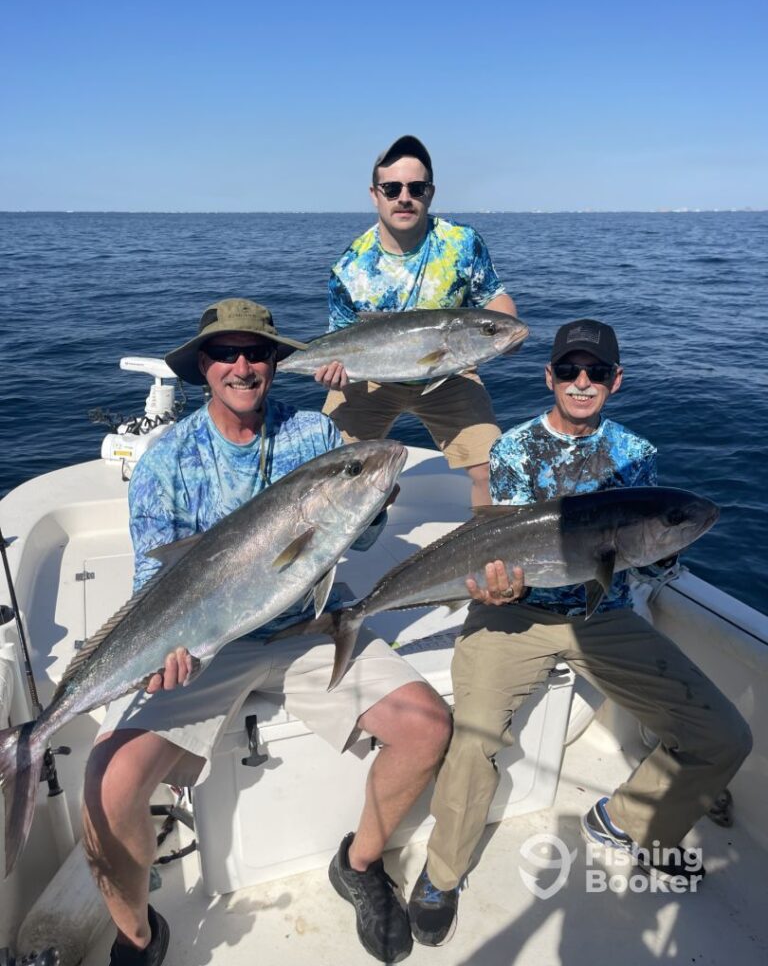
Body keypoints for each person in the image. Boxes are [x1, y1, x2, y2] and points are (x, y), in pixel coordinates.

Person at [82, 298, 451, 966]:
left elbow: (356, 536)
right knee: (106, 784)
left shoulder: (313, 435)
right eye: (227, 353)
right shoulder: (167, 460)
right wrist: (168, 652)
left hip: (306, 626)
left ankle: (360, 864)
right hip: (204, 645)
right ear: (203, 366)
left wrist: (374, 494)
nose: (243, 365)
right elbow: (154, 582)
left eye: (257, 353)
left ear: (275, 364)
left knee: (427, 726)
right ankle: (137, 934)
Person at [406, 318, 753, 945]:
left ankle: (628, 822)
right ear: (550, 377)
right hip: (512, 613)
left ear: (616, 381)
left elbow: (651, 544)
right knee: (475, 739)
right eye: (570, 370)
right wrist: (494, 587)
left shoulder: (637, 455)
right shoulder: (512, 449)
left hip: (602, 616)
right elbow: (494, 547)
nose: (582, 381)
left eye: (596, 372)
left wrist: (667, 547)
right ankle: (441, 872)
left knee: (724, 735)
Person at [317, 134, 519, 506]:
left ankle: (489, 559)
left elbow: (495, 297)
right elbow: (342, 339)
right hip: (370, 380)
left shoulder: (461, 242)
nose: (404, 197)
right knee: (326, 473)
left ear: (431, 192)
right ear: (374, 193)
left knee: (494, 469)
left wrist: (503, 331)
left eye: (416, 187)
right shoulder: (349, 267)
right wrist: (333, 371)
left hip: (449, 373)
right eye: (391, 188)